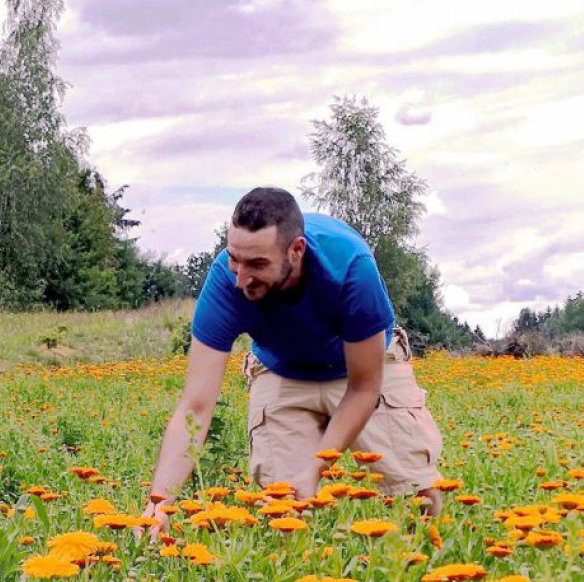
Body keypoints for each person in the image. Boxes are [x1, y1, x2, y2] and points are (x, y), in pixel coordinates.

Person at [143, 187, 443, 533]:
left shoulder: (352, 267)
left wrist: (316, 469)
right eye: (234, 258)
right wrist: (159, 505)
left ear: (296, 250)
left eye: (257, 264)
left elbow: (364, 389)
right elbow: (195, 406)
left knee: (418, 497)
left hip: (362, 369)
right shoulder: (224, 284)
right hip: (282, 371)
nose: (241, 278)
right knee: (283, 509)